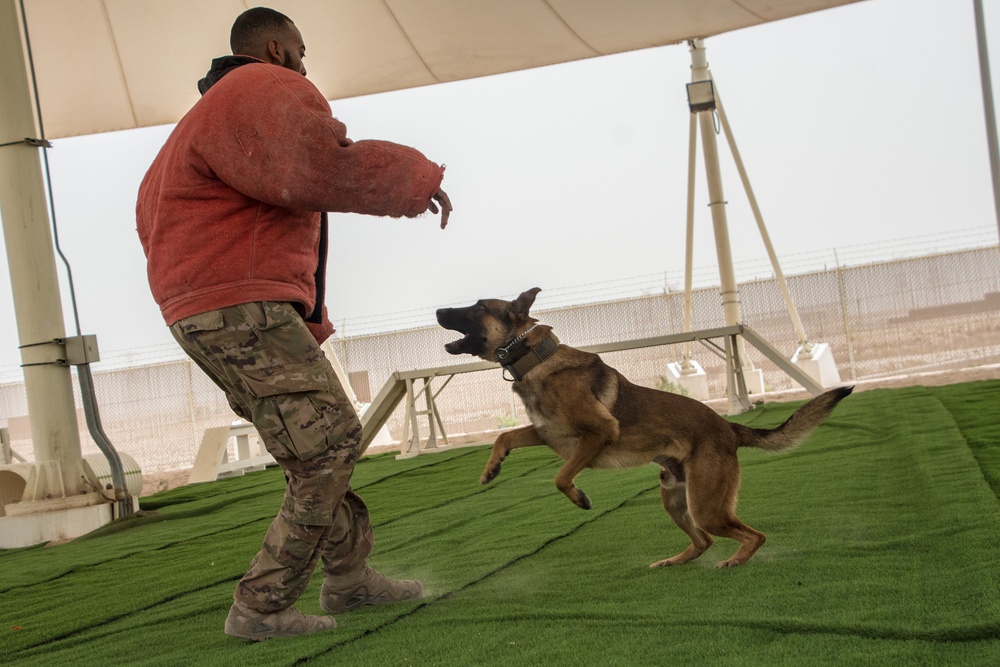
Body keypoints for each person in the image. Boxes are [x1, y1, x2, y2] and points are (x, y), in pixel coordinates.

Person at [136, 7, 452, 641]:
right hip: (240, 307)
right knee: (330, 443)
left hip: (203, 310)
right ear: (277, 50)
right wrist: (416, 180)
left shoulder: (196, 125)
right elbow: (314, 165)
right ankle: (262, 606)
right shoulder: (261, 88)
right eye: (302, 53)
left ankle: (349, 577)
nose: (307, 67)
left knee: (310, 446)